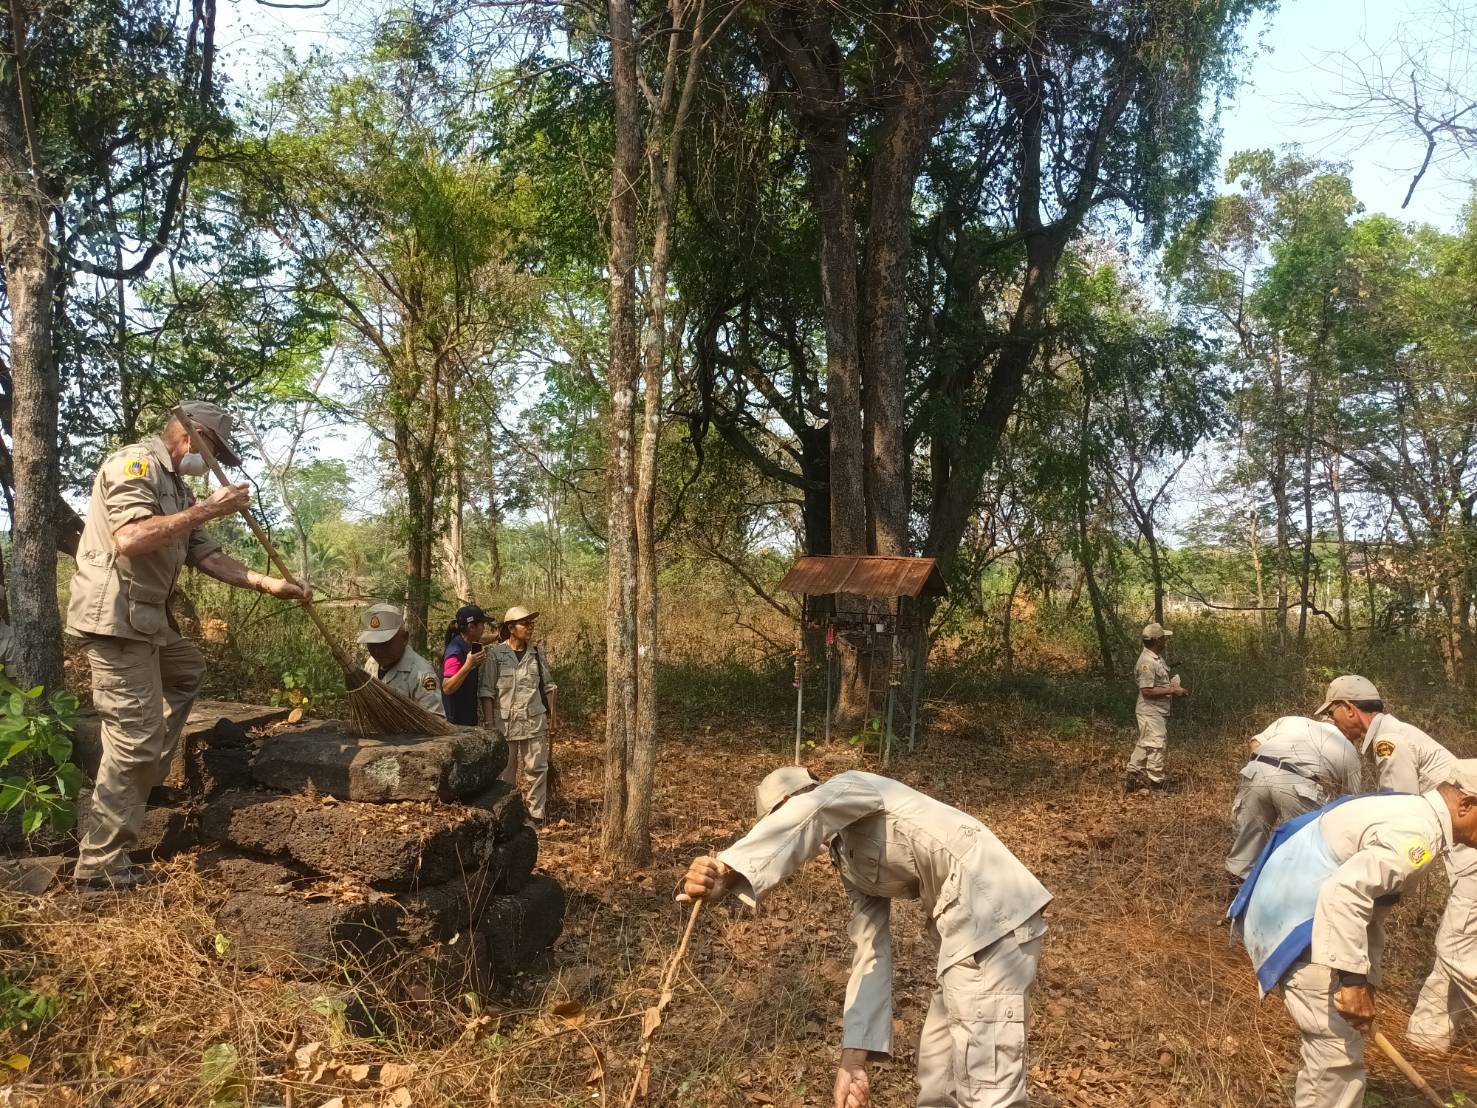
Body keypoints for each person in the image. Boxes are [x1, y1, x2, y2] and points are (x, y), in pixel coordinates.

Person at [678, 766, 1052, 1108]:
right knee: (939, 1082)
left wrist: (730, 868)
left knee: (986, 1092)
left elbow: (811, 811)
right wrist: (853, 1059)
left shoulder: (853, 786)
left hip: (993, 919)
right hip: (962, 942)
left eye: (778, 819)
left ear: (791, 803)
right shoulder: (847, 858)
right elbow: (871, 949)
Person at [67, 401, 309, 889]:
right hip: (116, 620)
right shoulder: (134, 464)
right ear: (192, 434)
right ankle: (100, 865)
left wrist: (271, 584)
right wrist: (210, 507)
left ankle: (141, 767)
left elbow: (209, 556)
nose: (214, 460)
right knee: (134, 741)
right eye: (215, 449)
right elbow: (131, 538)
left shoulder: (176, 487)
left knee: (186, 671)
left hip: (147, 620)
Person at [1228, 761, 1477, 1108]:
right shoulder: (1418, 835)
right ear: (1466, 804)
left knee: (1335, 1049)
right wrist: (1352, 982)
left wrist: (1366, 980)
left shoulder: (1411, 809)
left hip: (1287, 912)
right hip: (1301, 925)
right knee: (1336, 1056)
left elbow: (1370, 909)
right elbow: (1344, 893)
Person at [1313, 674, 1477, 1053]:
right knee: (1456, 946)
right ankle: (1427, 1041)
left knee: (1458, 947)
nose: (1333, 723)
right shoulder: (1395, 734)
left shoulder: (1390, 741)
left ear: (1349, 709)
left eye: (1332, 713)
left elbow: (1400, 806)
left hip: (1468, 846)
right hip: (1458, 844)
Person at [1225, 715, 1362, 881]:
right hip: (1301, 785)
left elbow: (1255, 744)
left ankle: (1235, 891)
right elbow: (1351, 801)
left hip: (1257, 771)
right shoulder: (1346, 747)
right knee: (1303, 848)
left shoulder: (1291, 720)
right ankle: (1285, 885)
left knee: (1245, 848)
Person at [480, 605, 556, 823]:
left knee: (537, 769)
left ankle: (536, 815)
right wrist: (489, 724)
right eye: (525, 623)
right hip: (505, 724)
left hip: (533, 721)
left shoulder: (536, 654)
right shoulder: (496, 655)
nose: (530, 627)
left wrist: (552, 719)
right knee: (505, 774)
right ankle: (507, 815)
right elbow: (487, 692)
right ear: (511, 628)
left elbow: (549, 687)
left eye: (531, 623)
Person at [1125, 621, 1188, 792]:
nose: (1165, 642)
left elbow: (1157, 684)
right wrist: (1173, 690)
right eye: (1163, 639)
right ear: (1157, 641)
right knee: (1157, 744)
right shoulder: (1147, 662)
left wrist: (1172, 686)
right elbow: (1147, 691)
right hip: (1150, 711)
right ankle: (1156, 782)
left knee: (1146, 743)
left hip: (1157, 710)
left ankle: (1132, 775)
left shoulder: (1156, 658)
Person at [356, 603, 443, 717]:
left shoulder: (422, 674)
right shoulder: (371, 664)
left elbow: (435, 720)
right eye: (372, 644)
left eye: (385, 643)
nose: (378, 650)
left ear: (404, 638)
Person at [440, 604, 489, 725]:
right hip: (455, 722)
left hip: (467, 718)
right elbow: (447, 687)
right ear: (471, 627)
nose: (484, 628)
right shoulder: (455, 651)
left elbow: (483, 639)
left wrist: (498, 636)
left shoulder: (467, 641)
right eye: (482, 624)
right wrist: (468, 665)